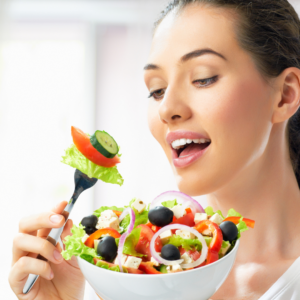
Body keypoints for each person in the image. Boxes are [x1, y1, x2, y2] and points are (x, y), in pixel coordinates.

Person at [9, 0, 300, 299]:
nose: (166, 109)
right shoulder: (132, 277)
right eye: (157, 90)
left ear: (285, 95)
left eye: (203, 78)